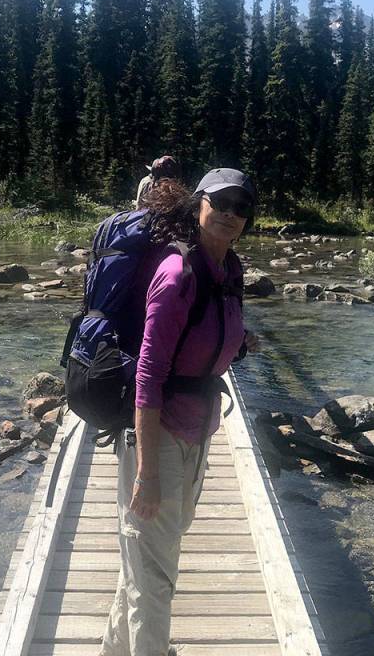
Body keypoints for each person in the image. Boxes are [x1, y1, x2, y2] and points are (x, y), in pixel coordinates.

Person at [100, 167, 261, 656]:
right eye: (221, 201)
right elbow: (148, 377)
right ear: (199, 204)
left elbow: (207, 341)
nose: (230, 214)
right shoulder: (177, 274)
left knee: (146, 561)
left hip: (198, 428)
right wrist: (147, 473)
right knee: (156, 576)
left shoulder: (229, 269)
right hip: (159, 434)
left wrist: (238, 342)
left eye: (242, 207)